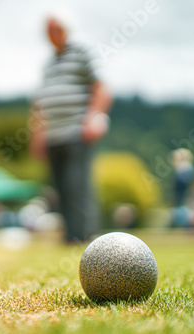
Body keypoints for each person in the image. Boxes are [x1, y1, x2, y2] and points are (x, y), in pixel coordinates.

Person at [30, 11, 113, 243]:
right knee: (60, 189)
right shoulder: (48, 63)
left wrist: (93, 118)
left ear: (66, 29)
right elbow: (41, 104)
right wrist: (38, 134)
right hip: (53, 136)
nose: (53, 34)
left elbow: (102, 88)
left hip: (76, 132)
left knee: (78, 186)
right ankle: (70, 235)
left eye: (57, 28)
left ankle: (84, 236)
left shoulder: (81, 53)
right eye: (49, 30)